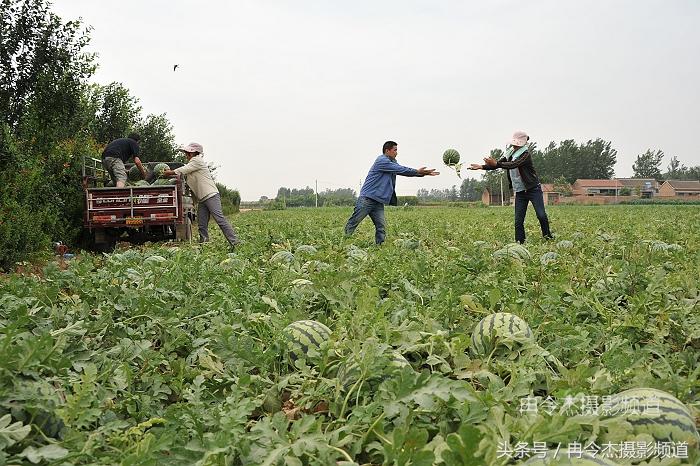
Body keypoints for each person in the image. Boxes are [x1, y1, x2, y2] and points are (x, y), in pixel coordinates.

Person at [345, 140, 439, 244]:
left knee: (381, 226)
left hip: (378, 201)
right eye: (395, 150)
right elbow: (401, 169)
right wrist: (418, 171)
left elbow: (402, 171)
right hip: (367, 199)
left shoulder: (392, 163)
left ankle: (379, 247)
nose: (396, 153)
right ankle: (343, 242)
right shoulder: (382, 161)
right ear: (387, 150)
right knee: (354, 222)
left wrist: (422, 174)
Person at [469, 130, 553, 244]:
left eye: (517, 143)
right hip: (520, 192)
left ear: (522, 143)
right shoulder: (510, 153)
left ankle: (547, 237)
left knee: (541, 215)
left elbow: (514, 164)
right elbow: (498, 164)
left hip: (533, 189)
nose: (514, 145)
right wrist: (482, 167)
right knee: (518, 221)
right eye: (514, 143)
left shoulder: (525, 155)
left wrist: (497, 164)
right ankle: (520, 243)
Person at [162, 142, 241, 249]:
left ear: (194, 153)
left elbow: (182, 170)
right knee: (202, 223)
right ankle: (204, 244)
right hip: (202, 199)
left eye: (187, 152)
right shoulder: (192, 163)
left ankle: (235, 242)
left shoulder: (197, 160)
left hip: (210, 195)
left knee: (220, 219)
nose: (186, 155)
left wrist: (169, 172)